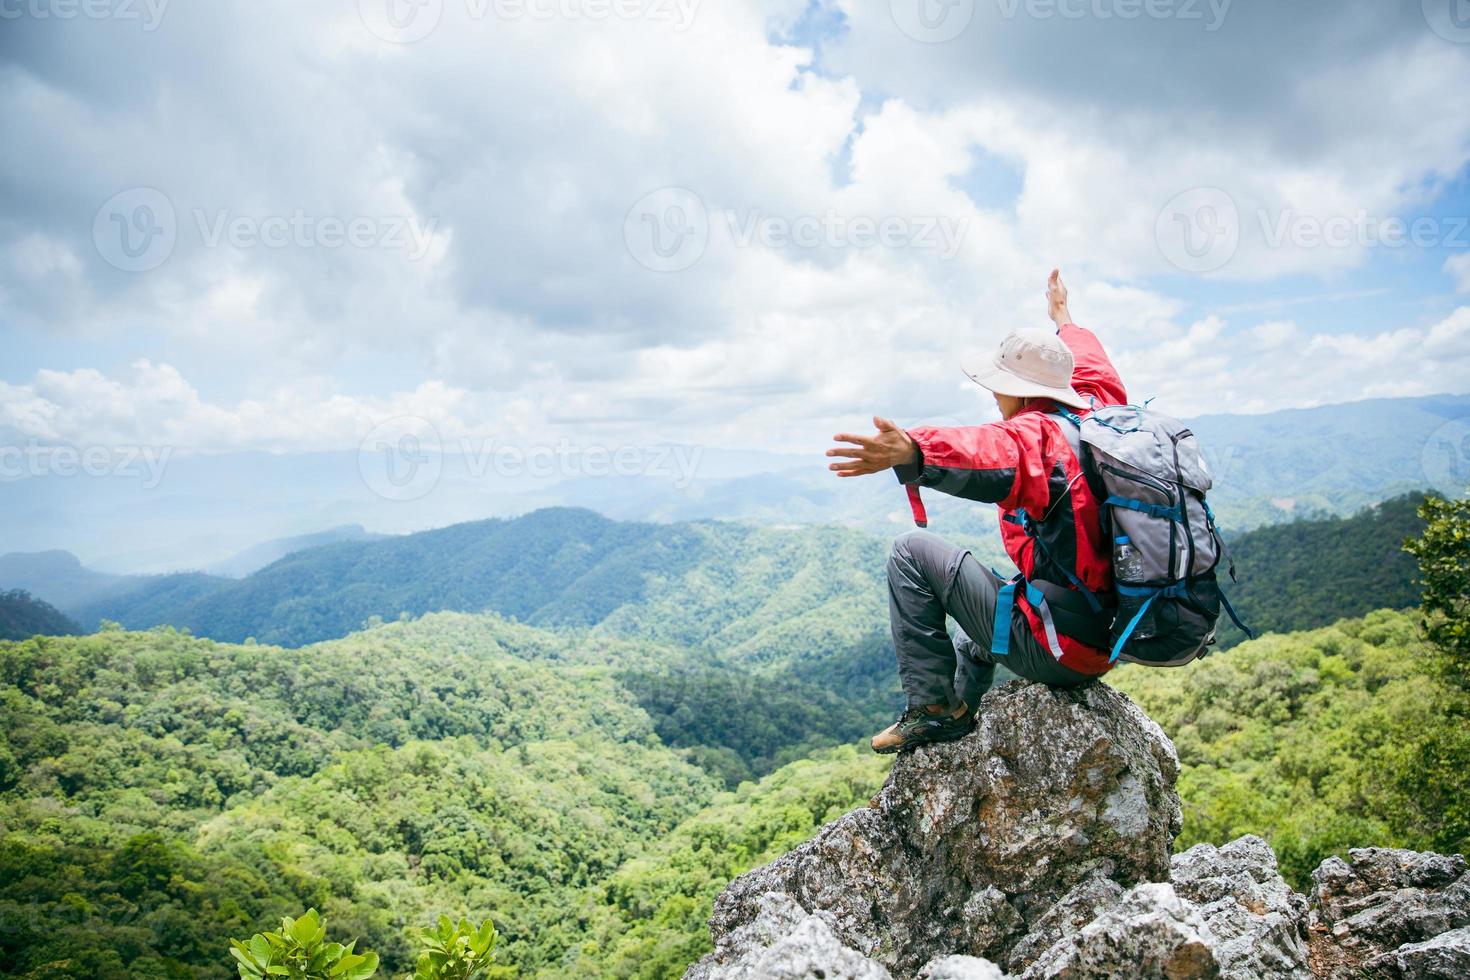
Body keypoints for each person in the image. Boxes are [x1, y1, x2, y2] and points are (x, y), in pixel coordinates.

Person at [826, 270, 1127, 753]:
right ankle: (958, 735)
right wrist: (1063, 317)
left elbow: (984, 450)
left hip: (1061, 647)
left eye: (1000, 385)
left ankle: (935, 710)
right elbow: (1091, 362)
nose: (994, 395)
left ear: (1025, 393)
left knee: (910, 551)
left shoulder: (1039, 440)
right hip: (1108, 635)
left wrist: (912, 450)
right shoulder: (1099, 410)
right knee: (972, 641)